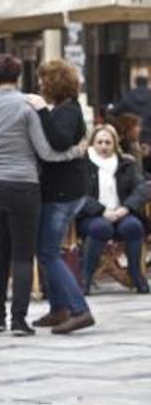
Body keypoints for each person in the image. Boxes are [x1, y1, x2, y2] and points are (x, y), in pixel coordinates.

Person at [0, 53, 83, 336]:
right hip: (22, 185)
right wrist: (76, 151)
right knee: (22, 255)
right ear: (18, 78)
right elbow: (47, 152)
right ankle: (18, 321)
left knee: (0, 250)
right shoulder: (28, 105)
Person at [25, 59, 94, 334]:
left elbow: (59, 141)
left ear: (54, 82)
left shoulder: (68, 111)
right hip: (65, 190)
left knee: (49, 253)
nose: (40, 85)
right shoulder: (67, 109)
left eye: (43, 80)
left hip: (64, 192)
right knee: (47, 252)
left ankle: (80, 310)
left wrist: (41, 112)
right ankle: (59, 309)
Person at [77, 124, 150, 294]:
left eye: (108, 142)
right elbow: (78, 194)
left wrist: (125, 208)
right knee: (101, 227)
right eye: (100, 142)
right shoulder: (82, 165)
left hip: (121, 213)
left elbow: (142, 189)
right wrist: (102, 211)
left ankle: (135, 273)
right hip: (93, 216)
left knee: (134, 226)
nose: (103, 146)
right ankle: (86, 276)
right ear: (92, 143)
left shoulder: (126, 164)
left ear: (114, 144)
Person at [109, 72, 151, 146]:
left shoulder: (128, 96)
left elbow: (112, 113)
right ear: (147, 82)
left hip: (132, 135)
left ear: (136, 83)